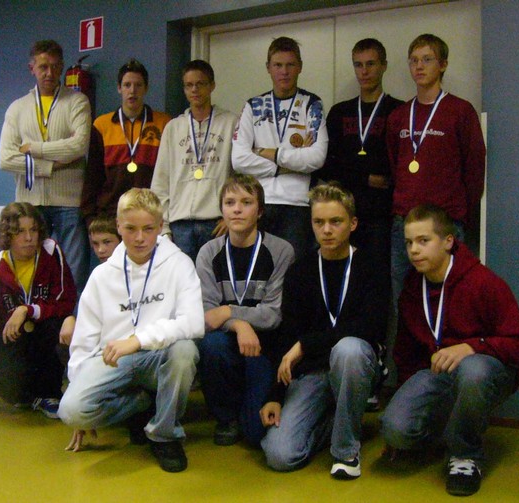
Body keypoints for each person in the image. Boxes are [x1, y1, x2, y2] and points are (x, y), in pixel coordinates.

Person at [381, 204, 519, 496]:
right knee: (394, 429)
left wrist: (471, 347)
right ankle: (450, 431)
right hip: (437, 374)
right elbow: (405, 353)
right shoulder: (412, 288)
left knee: (473, 370)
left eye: (424, 240)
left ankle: (466, 455)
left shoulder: (483, 282)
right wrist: (407, 403)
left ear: (448, 241)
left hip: (485, 371)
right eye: (409, 242)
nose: (414, 250)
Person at [58, 188, 203, 473]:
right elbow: (84, 340)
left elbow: (194, 322)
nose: (139, 238)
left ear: (160, 227)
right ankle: (141, 404)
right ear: (118, 226)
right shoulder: (101, 275)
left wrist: (138, 340)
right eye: (130, 229)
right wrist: (81, 400)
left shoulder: (179, 264)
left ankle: (165, 435)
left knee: (185, 351)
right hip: (113, 359)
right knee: (71, 410)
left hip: (157, 356)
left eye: (148, 229)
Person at [260, 183, 388, 480]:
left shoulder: (371, 265)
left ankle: (345, 452)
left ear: (352, 224)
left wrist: (306, 344)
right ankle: (339, 419)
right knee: (280, 455)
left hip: (357, 366)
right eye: (319, 222)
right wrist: (274, 395)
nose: (327, 230)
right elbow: (287, 336)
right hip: (313, 373)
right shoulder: (300, 271)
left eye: (336, 221)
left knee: (348, 348)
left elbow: (371, 326)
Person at [320, 38, 403, 409]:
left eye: (371, 64)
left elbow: (396, 166)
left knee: (381, 296)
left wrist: (357, 170)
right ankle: (343, 370)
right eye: (358, 64)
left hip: (383, 221)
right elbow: (329, 165)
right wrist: (366, 176)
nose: (364, 71)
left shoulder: (399, 111)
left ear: (383, 66)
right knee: (344, 294)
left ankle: (378, 373)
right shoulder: (339, 113)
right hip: (344, 222)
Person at [387, 34, 486, 304]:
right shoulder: (399, 116)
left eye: (427, 59)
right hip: (405, 222)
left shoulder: (460, 111)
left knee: (450, 299)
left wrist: (460, 215)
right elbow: (395, 165)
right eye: (414, 60)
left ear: (443, 64)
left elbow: (474, 170)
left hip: (446, 221)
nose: (419, 66)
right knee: (404, 299)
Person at [196, 174, 294, 446]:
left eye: (246, 202)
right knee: (211, 345)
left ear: (260, 211)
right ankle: (225, 417)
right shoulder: (208, 253)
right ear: (222, 210)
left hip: (265, 346)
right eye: (230, 203)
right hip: (227, 341)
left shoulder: (281, 250)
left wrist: (228, 311)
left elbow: (273, 314)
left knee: (254, 434)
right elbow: (208, 315)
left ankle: (248, 410)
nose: (237, 209)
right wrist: (239, 323)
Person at [0, 203, 77, 418]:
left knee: (61, 325)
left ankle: (51, 393)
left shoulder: (51, 253)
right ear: (8, 235)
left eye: (33, 230)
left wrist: (26, 309)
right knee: (9, 384)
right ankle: (28, 396)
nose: (29, 238)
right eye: (20, 231)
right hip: (13, 341)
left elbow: (65, 301)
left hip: (45, 331)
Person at [0, 40, 92, 293]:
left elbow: (78, 146)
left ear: (61, 67)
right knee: (31, 269)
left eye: (54, 66)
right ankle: (33, 314)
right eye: (43, 67)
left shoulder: (77, 102)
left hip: (69, 203)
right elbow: (6, 159)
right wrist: (49, 167)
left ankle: (71, 318)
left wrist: (33, 148)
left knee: (74, 272)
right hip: (30, 204)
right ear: (32, 68)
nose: (49, 73)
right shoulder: (17, 108)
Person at [232, 36, 328, 260]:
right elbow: (239, 160)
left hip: (297, 205)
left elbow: (317, 158)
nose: (284, 72)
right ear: (268, 67)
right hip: (258, 203)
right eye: (278, 65)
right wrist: (289, 164)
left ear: (300, 67)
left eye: (290, 65)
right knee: (258, 268)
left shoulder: (311, 104)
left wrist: (267, 152)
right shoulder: (253, 105)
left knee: (293, 270)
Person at [151, 60, 238, 262]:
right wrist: (164, 228)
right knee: (182, 280)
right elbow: (161, 180)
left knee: (215, 279)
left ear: (212, 85)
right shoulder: (173, 127)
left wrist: (232, 217)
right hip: (179, 225)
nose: (194, 90)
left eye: (200, 84)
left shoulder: (231, 123)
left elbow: (241, 177)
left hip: (216, 223)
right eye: (189, 85)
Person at [81, 59, 171, 225]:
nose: (132, 91)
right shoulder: (101, 125)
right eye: (127, 85)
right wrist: (89, 217)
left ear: (146, 88)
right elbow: (92, 176)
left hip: (149, 213)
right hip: (109, 214)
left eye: (138, 85)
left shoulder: (164, 123)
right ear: (119, 88)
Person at [57, 215, 122, 353]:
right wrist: (72, 317)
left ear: (121, 240)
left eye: (107, 242)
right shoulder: (96, 273)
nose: (101, 250)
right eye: (95, 244)